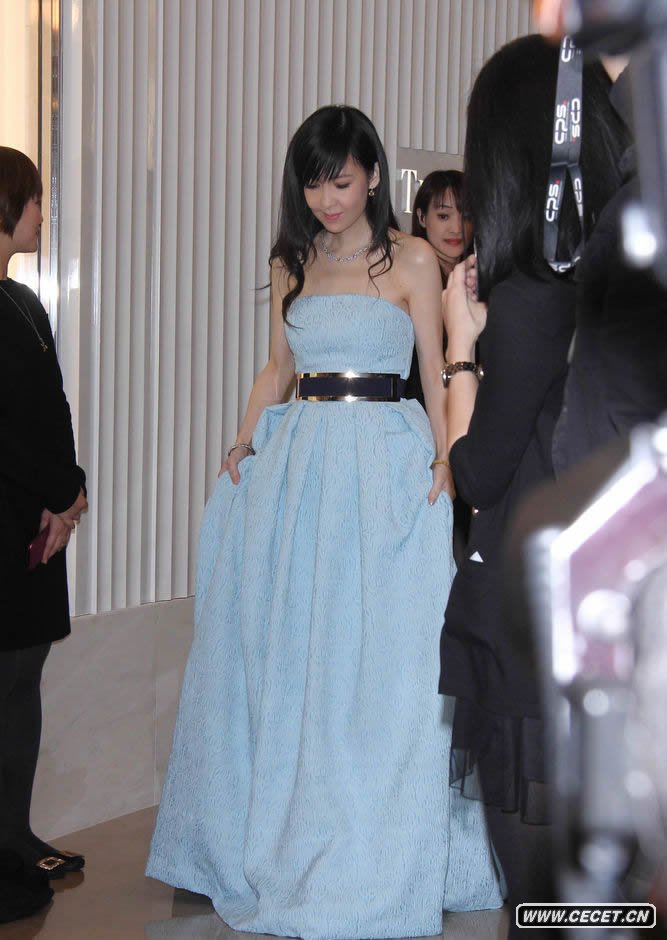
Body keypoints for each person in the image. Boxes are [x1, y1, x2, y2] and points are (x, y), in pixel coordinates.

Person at [147, 105, 501, 939]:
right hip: (301, 465)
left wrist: (446, 459)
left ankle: (386, 841)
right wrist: (242, 440)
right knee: (294, 652)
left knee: (387, 658)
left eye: (340, 181)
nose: (327, 199)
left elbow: (435, 370)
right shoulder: (291, 262)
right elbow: (276, 368)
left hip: (384, 461)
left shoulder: (412, 259)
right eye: (313, 184)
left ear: (372, 176)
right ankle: (287, 830)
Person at [437, 37, 630, 938]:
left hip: (533, 611)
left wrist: (459, 344)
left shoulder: (531, 292)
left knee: (541, 902)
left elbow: (474, 471)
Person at [0, 146, 88, 919]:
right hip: (11, 517)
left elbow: (50, 410)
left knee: (21, 683)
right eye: (31, 198)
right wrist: (59, 493)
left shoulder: (25, 301)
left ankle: (14, 835)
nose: (39, 211)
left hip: (35, 525)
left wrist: (68, 497)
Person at [405, 170, 474, 561]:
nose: (455, 227)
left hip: (470, 438)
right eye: (443, 215)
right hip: (419, 437)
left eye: (465, 215)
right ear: (421, 217)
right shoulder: (407, 277)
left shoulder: (479, 281)